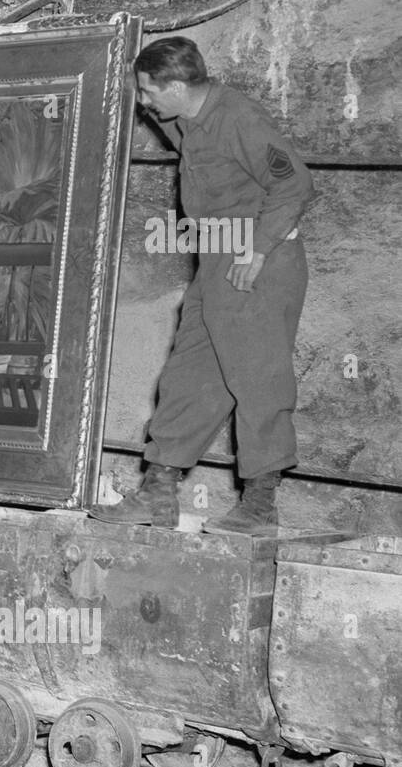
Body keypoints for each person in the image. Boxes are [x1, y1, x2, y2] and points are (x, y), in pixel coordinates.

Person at [89, 36, 313, 535]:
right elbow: (181, 135)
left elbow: (294, 183)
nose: (142, 102)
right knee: (189, 373)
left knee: (257, 378)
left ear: (175, 86)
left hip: (256, 263)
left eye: (147, 93)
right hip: (215, 261)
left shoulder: (240, 118)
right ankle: (158, 492)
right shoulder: (188, 118)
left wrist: (258, 248)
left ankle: (259, 506)